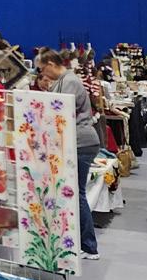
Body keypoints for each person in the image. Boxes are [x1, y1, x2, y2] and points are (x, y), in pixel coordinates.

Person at [37, 50, 100, 259]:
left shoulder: (69, 81)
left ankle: (89, 246)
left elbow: (60, 112)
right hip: (75, 143)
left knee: (76, 194)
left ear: (50, 63)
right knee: (73, 193)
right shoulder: (64, 81)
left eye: (42, 69)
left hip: (81, 143)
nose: (42, 74)